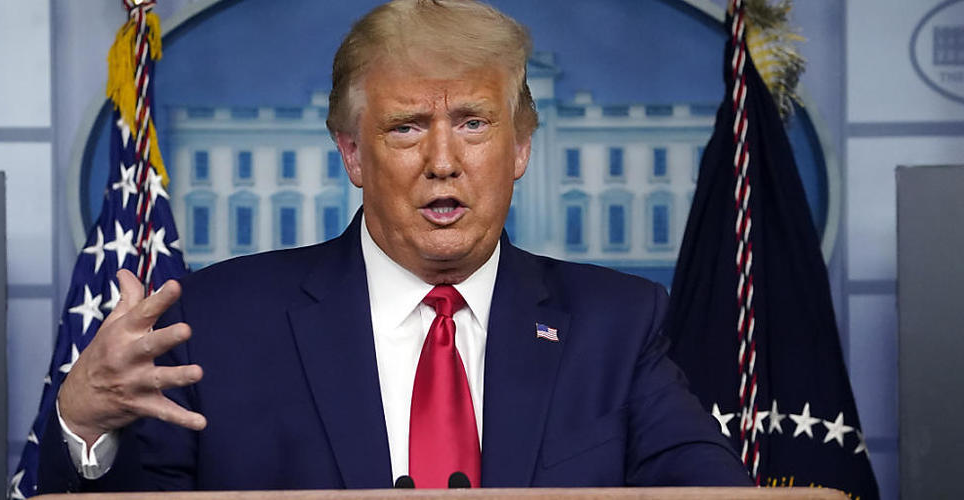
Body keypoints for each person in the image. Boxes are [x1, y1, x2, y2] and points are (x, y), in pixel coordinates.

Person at [40, 0, 752, 492]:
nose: (444, 160)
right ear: (351, 153)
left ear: (521, 147)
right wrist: (82, 423)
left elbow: (713, 493)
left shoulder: (617, 325)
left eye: (474, 123)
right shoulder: (215, 324)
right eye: (407, 127)